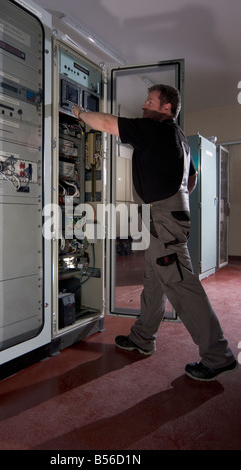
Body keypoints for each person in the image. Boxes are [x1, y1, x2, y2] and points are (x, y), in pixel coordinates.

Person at [72, 84, 238, 381]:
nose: (144, 106)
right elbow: (192, 177)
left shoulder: (155, 129)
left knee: (180, 283)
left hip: (163, 216)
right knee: (154, 277)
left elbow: (109, 124)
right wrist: (175, 199)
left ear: (166, 109)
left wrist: (81, 113)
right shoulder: (180, 139)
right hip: (166, 213)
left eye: (150, 102)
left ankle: (217, 354)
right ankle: (142, 338)